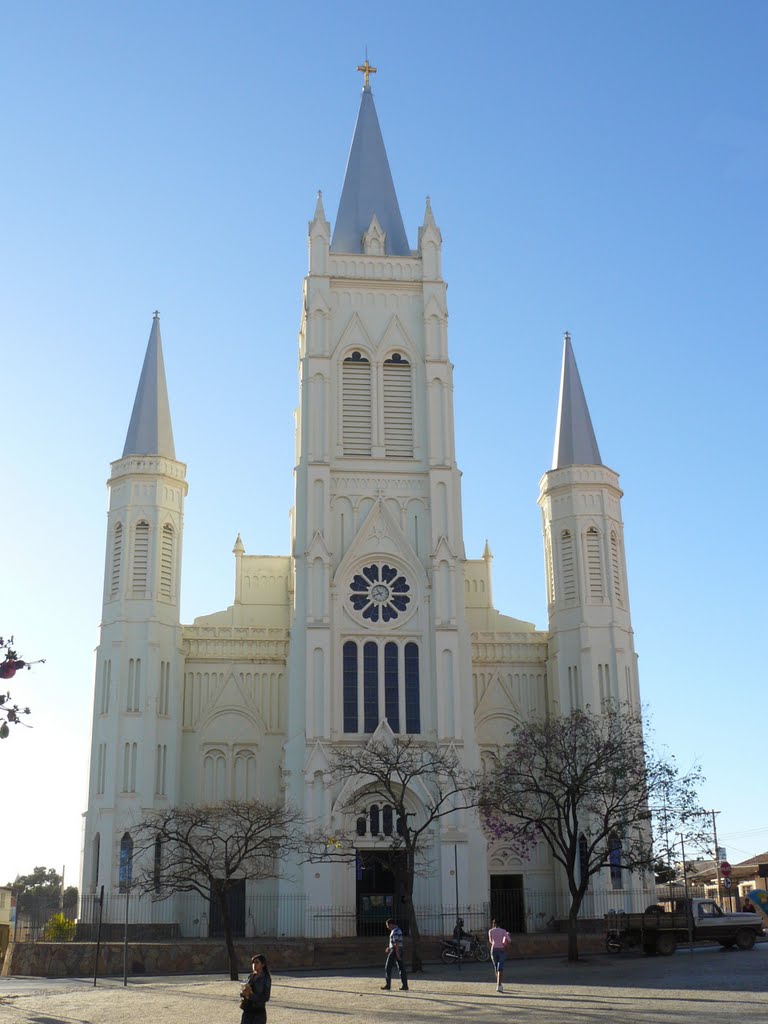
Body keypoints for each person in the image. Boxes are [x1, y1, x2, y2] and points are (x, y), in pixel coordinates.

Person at [240, 953, 272, 1024]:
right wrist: (243, 993)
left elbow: (266, 997)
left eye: (257, 962)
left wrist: (250, 996)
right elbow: (244, 989)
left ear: (263, 964)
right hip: (247, 1011)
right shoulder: (251, 976)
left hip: (258, 1013)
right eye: (253, 963)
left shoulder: (266, 978)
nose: (254, 965)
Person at [381, 917, 408, 991]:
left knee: (388, 967)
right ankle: (405, 985)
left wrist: (396, 953)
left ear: (391, 924)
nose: (387, 927)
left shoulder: (395, 931)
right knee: (401, 968)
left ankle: (388, 985)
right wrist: (389, 947)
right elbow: (396, 942)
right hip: (398, 949)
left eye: (388, 925)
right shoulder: (398, 930)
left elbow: (396, 943)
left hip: (395, 950)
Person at [488, 918, 511, 993]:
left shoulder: (490, 931)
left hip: (493, 950)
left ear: (493, 924)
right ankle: (499, 985)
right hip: (501, 950)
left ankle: (498, 983)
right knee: (500, 968)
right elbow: (509, 940)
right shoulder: (503, 931)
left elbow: (491, 941)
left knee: (496, 967)